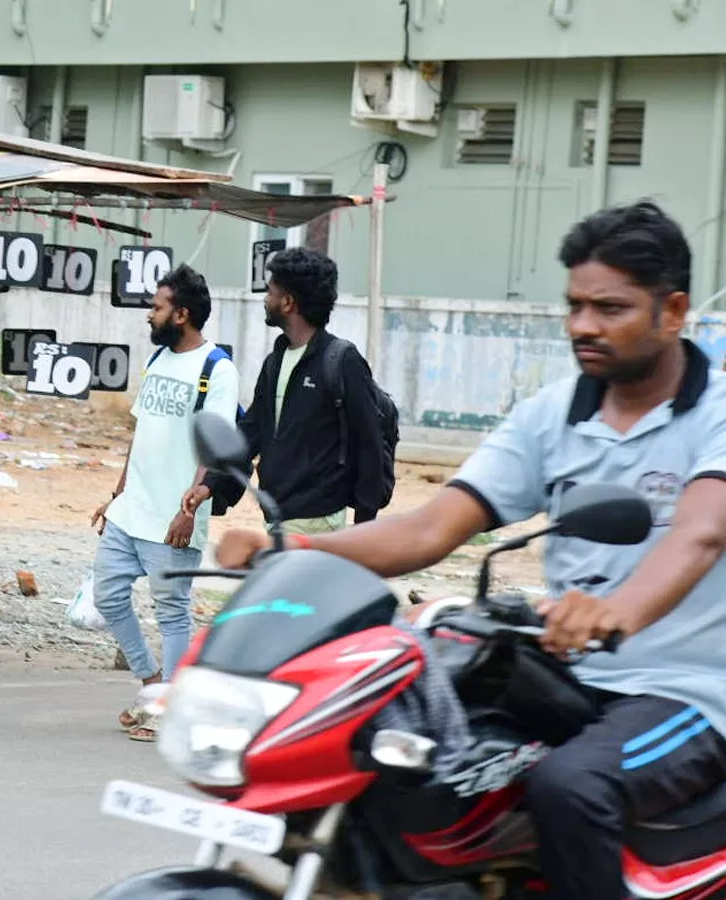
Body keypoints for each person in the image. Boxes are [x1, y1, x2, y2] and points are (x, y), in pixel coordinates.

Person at [214, 200, 726, 900]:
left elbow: (701, 531)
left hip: (687, 693)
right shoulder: (555, 412)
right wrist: (294, 546)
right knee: (399, 750)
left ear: (673, 311)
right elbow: (433, 528)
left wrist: (617, 612)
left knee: (571, 787)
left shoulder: (717, 412)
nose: (583, 325)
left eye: (610, 308)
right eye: (575, 305)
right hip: (566, 676)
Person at [90, 262, 240, 742]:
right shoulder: (157, 361)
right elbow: (142, 430)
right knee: (107, 594)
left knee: (171, 611)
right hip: (133, 509)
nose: (148, 315)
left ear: (182, 314)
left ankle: (168, 707)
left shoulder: (217, 369)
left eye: (157, 307)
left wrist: (189, 508)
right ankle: (153, 685)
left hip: (175, 517)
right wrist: (117, 493)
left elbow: (213, 445)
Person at [180, 246, 387, 536]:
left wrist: (364, 530)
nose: (266, 300)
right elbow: (252, 431)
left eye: (271, 292)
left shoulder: (342, 361)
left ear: (288, 302)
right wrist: (209, 484)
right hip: (279, 514)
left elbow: (369, 446)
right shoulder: (276, 360)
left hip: (316, 520)